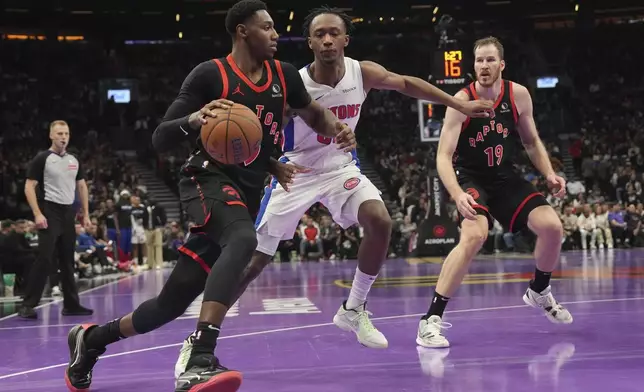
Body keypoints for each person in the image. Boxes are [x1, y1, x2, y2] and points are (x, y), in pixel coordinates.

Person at [172, 7, 494, 373]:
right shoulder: (294, 83)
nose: (327, 40)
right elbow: (259, 128)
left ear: (345, 39)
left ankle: (354, 309)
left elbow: (406, 83)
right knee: (253, 263)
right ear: (309, 41)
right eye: (319, 34)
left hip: (339, 167)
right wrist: (270, 162)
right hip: (294, 170)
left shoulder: (362, 72)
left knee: (380, 220)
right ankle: (200, 339)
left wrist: (457, 102)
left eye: (333, 33)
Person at [63, 1, 356, 392]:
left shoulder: (284, 75)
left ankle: (91, 340)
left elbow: (313, 115)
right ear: (242, 31)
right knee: (243, 239)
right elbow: (160, 138)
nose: (274, 35)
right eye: (266, 27)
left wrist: (337, 129)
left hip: (245, 195)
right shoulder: (210, 75)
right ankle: (201, 357)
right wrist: (194, 120)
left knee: (168, 305)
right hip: (205, 181)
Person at [416, 36, 572, 349]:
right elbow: (443, 157)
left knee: (552, 227)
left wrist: (549, 173)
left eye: (490, 60)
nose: (484, 66)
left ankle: (539, 290)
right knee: (475, 235)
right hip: (470, 177)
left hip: (504, 176)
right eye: (479, 61)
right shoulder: (461, 100)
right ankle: (429, 321)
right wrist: (458, 193)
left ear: (501, 64)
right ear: (473, 67)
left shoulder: (518, 95)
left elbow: (530, 142)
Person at [19, 120, 94, 319]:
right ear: (51, 136)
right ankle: (27, 305)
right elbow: (29, 186)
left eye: (66, 133)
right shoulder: (42, 158)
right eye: (59, 133)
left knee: (68, 260)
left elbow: (82, 186)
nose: (63, 137)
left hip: (68, 212)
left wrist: (85, 214)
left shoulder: (74, 160)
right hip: (49, 210)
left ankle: (71, 304)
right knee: (44, 257)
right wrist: (37, 213)